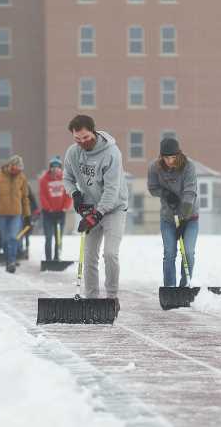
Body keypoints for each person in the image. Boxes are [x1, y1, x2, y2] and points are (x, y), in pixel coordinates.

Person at [62, 115, 128, 314]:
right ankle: (91, 299)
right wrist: (75, 195)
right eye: (78, 139)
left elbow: (111, 191)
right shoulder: (73, 153)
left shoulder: (111, 153)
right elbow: (67, 178)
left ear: (94, 131)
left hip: (114, 208)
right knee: (89, 255)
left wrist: (96, 215)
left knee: (110, 253)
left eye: (86, 137)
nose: (83, 143)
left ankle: (111, 298)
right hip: (90, 207)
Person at [147, 137, 199, 287]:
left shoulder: (189, 167)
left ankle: (184, 286)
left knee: (188, 251)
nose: (170, 161)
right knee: (169, 253)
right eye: (166, 157)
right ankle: (170, 289)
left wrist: (184, 217)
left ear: (179, 155)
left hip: (190, 217)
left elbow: (190, 192)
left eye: (173, 157)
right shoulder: (154, 168)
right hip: (168, 218)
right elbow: (152, 188)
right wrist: (166, 194)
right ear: (161, 156)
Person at [0, 155, 31, 273]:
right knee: (4, 239)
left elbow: (25, 198)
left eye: (20, 168)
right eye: (17, 167)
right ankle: (7, 259)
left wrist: (27, 215)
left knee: (13, 237)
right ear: (11, 165)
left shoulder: (22, 178)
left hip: (16, 213)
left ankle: (11, 260)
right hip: (2, 213)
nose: (19, 170)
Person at [38, 156, 72, 261]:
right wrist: (49, 208)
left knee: (58, 237)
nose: (55, 169)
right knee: (48, 237)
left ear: (60, 168)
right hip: (48, 213)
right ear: (50, 168)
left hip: (61, 213)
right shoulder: (44, 180)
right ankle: (48, 260)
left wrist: (65, 208)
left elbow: (68, 194)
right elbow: (43, 196)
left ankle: (57, 257)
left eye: (57, 167)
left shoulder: (65, 179)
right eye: (53, 167)